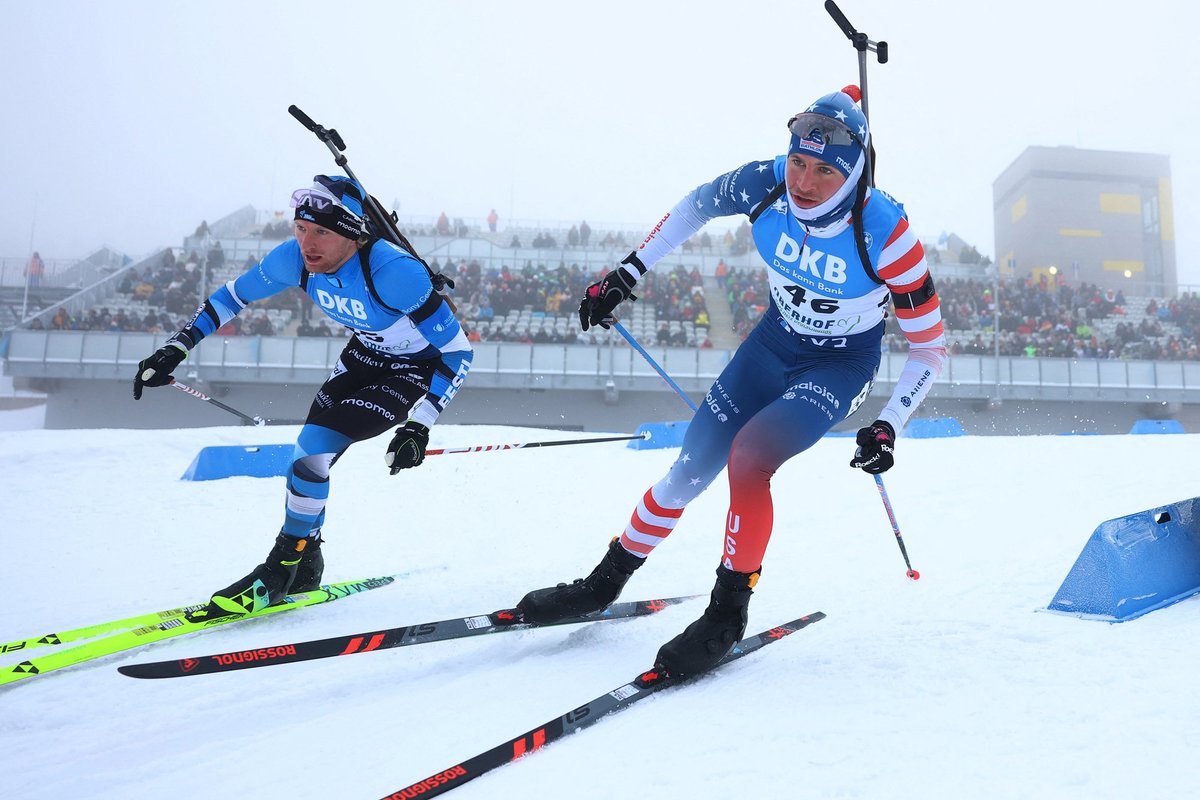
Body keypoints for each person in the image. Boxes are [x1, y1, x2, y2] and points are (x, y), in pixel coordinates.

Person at [516, 86, 946, 679]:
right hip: (772, 344)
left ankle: (726, 615)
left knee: (749, 459)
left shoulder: (886, 231)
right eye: (798, 161)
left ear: (853, 174)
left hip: (839, 365)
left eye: (825, 170)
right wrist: (628, 271)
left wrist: (888, 424)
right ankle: (601, 584)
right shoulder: (764, 182)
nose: (805, 182)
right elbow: (696, 204)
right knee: (691, 465)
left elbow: (929, 347)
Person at [133, 175, 473, 618]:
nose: (306, 243)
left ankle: (278, 569)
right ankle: (307, 559)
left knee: (310, 455)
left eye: (321, 233)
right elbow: (230, 298)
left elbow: (458, 351)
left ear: (352, 234)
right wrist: (175, 348)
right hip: (362, 357)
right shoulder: (293, 259)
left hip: (413, 370)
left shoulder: (393, 272)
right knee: (308, 458)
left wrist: (419, 424)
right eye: (300, 228)